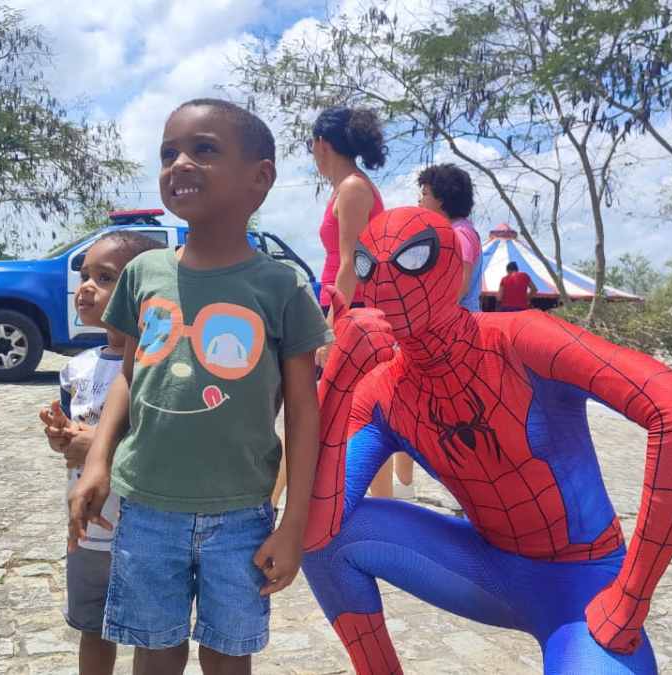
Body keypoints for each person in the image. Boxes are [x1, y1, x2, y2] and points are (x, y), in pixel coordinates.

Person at [302, 207, 672, 674]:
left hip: (586, 581)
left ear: (451, 268)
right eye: (367, 266)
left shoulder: (522, 338)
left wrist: (631, 596)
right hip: (487, 567)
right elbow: (314, 528)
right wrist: (339, 376)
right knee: (333, 538)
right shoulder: (383, 389)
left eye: (411, 259)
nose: (385, 283)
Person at [68, 99, 330, 675]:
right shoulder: (144, 273)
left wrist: (293, 525)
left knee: (229, 654)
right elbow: (129, 377)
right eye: (169, 153)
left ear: (260, 178)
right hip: (146, 508)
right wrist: (98, 463)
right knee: (153, 648)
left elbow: (305, 415)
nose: (180, 163)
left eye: (204, 149)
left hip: (241, 514)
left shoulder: (279, 288)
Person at [40, 230, 164, 675]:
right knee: (92, 628)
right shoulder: (76, 368)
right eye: (85, 274)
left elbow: (164, 435)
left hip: (143, 527)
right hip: (87, 528)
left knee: (151, 633)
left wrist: (99, 446)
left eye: (105, 277)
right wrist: (62, 437)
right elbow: (74, 435)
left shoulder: (157, 364)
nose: (86, 286)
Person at [307, 105, 397, 499]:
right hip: (346, 310)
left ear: (322, 144)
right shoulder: (346, 188)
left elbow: (351, 263)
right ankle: (379, 503)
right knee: (357, 411)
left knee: (342, 412)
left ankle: (380, 504)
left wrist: (330, 328)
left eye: (312, 146)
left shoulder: (353, 189)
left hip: (353, 315)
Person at [418, 163, 483, 311]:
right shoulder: (461, 229)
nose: (420, 201)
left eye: (425, 194)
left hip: (458, 324)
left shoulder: (459, 234)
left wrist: (433, 315)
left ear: (441, 199)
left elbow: (461, 285)